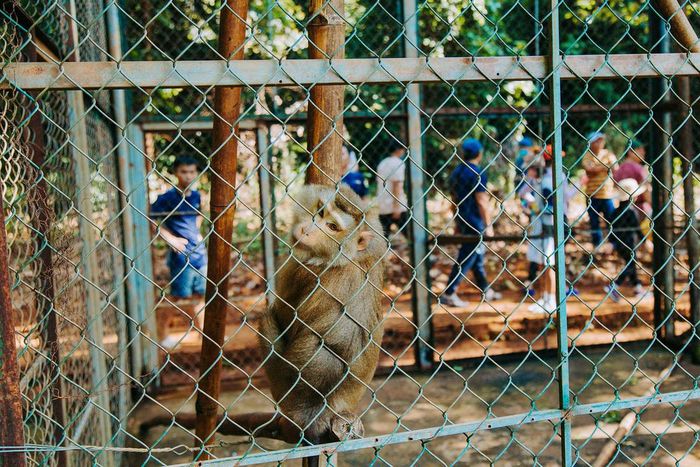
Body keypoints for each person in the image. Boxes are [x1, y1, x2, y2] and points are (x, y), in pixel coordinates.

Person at [440, 138, 501, 307]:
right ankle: (450, 292)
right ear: (479, 154)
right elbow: (482, 201)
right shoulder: (477, 173)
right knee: (467, 256)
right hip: (475, 221)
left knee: (476, 255)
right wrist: (488, 225)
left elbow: (453, 200)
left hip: (463, 218)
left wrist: (457, 222)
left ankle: (485, 290)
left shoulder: (457, 172)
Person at [150, 156, 206, 332]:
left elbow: (199, 215)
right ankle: (160, 335)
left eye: (192, 172)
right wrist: (169, 238)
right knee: (177, 298)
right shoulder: (167, 198)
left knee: (200, 295)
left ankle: (203, 334)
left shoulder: (196, 196)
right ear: (176, 173)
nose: (188, 176)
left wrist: (197, 233)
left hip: (200, 254)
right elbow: (149, 218)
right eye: (184, 172)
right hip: (181, 256)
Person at [524, 145, 559, 313]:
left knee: (548, 264)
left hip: (546, 229)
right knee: (541, 264)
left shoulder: (546, 183)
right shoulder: (539, 182)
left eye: (530, 168)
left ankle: (551, 299)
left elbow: (551, 207)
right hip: (539, 228)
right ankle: (544, 297)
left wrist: (537, 209)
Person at [605, 178, 649, 302]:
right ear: (633, 197)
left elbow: (611, 230)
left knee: (631, 264)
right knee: (630, 265)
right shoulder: (631, 212)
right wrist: (645, 241)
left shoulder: (615, 212)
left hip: (619, 244)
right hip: (629, 244)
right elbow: (637, 230)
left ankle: (637, 287)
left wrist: (611, 242)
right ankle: (615, 286)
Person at [583, 131, 617, 247]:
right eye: (597, 141)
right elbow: (589, 169)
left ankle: (614, 243)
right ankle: (597, 244)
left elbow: (615, 166)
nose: (600, 143)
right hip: (592, 194)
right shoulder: (587, 155)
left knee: (611, 220)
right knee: (594, 222)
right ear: (591, 143)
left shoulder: (608, 154)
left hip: (607, 194)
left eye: (601, 140)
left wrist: (597, 167)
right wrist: (605, 166)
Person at [376, 141, 408, 238]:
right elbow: (397, 185)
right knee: (410, 233)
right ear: (399, 150)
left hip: (383, 205)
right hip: (396, 205)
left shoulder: (383, 163)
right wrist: (397, 207)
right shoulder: (398, 163)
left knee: (383, 237)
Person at [614, 140, 651, 217]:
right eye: (639, 149)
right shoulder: (639, 169)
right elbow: (646, 191)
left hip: (622, 208)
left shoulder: (619, 169)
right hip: (641, 208)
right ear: (630, 152)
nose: (643, 152)